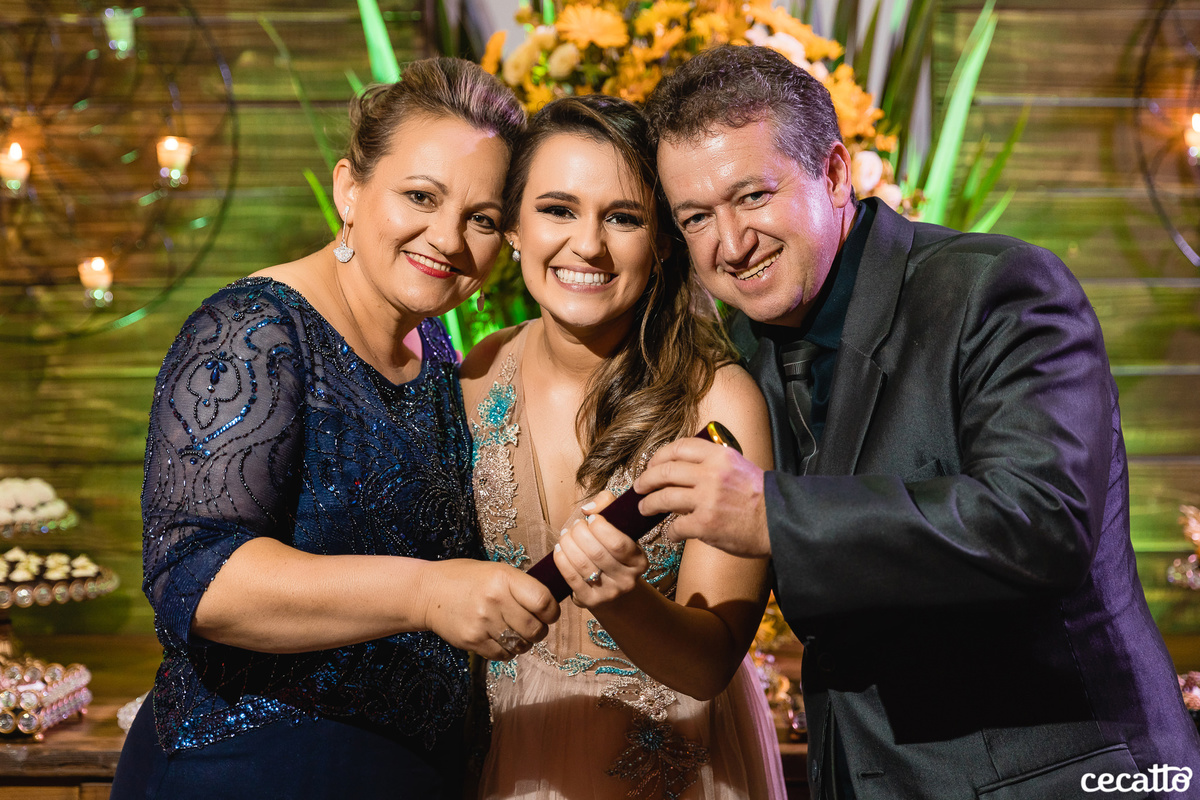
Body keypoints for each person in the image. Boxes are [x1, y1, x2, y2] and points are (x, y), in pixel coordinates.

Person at [634, 45, 1200, 800]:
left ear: (835, 173)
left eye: (754, 197)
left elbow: (1042, 523)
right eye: (697, 217)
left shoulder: (998, 289)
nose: (730, 244)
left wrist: (771, 514)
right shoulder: (734, 355)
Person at [111, 57, 559, 800]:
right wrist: (425, 593)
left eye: (481, 219)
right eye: (421, 196)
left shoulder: (435, 348)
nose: (448, 238)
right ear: (350, 189)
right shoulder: (254, 331)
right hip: (249, 772)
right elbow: (197, 577)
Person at [460, 94, 786, 799]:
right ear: (514, 226)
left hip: (671, 767)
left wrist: (624, 600)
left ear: (662, 240)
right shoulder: (477, 373)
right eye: (558, 209)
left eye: (623, 217)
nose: (588, 245)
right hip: (505, 759)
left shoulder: (719, 403)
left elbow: (710, 664)